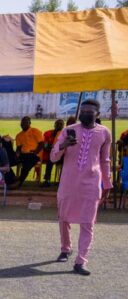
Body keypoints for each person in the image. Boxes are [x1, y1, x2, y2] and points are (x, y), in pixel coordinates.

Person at [50, 99, 112, 276]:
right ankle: (65, 248)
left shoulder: (104, 133)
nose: (84, 113)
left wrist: (107, 183)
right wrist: (63, 145)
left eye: (89, 111)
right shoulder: (69, 131)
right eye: (82, 111)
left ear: (97, 114)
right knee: (63, 218)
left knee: (88, 223)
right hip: (68, 183)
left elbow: (105, 160)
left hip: (91, 184)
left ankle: (81, 261)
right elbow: (54, 157)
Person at [14, 116, 44, 188]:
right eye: (22, 122)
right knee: (9, 160)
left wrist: (36, 151)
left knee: (27, 163)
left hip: (34, 154)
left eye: (25, 122)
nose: (23, 124)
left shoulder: (35, 131)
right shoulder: (19, 135)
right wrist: (17, 154)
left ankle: (19, 182)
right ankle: (12, 179)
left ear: (30, 123)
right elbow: (18, 148)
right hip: (23, 154)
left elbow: (41, 143)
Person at [41, 119, 65, 187]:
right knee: (50, 161)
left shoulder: (64, 134)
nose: (59, 126)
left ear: (63, 126)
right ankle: (47, 180)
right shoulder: (48, 133)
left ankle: (62, 181)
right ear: (54, 125)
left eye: (61, 124)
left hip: (61, 155)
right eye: (58, 124)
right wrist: (51, 148)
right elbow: (45, 145)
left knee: (66, 162)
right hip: (52, 154)